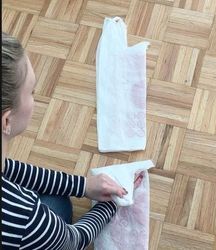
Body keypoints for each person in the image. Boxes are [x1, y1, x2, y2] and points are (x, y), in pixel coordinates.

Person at [1, 32, 142, 250]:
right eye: (32, 91)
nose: (35, 98)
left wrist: (83, 186)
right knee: (58, 206)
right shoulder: (25, 218)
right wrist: (111, 204)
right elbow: (73, 240)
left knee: (56, 201)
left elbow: (8, 170)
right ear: (7, 120)